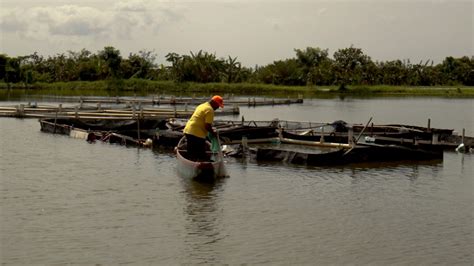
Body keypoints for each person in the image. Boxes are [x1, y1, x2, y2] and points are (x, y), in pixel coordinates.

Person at [183, 95, 224, 161]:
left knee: (191, 152)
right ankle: (201, 166)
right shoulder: (210, 110)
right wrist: (213, 133)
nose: (218, 107)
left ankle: (191, 163)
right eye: (218, 105)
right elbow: (207, 126)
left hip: (188, 130)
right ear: (214, 102)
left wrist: (211, 130)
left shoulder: (202, 105)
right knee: (201, 154)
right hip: (197, 133)